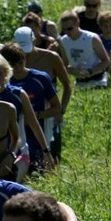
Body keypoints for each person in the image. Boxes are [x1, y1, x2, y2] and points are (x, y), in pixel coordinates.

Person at [0, 52, 53, 182]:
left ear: (7, 72)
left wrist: (46, 153)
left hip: (19, 154)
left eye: (0, 73)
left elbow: (34, 124)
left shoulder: (18, 94)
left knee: (8, 182)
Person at [0, 42, 61, 175]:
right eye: (12, 64)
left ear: (25, 59)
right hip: (15, 142)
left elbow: (57, 108)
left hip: (40, 136)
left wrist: (35, 116)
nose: (17, 67)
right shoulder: (3, 85)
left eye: (20, 62)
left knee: (42, 176)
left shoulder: (40, 78)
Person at [14, 24, 72, 165]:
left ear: (34, 40)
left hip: (47, 113)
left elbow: (67, 85)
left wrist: (61, 110)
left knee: (52, 156)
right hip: (21, 118)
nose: (26, 55)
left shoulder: (51, 57)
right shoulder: (12, 61)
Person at [58, 9, 110, 89]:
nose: (67, 32)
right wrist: (74, 71)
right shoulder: (63, 41)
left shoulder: (92, 38)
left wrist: (90, 72)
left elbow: (106, 61)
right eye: (64, 29)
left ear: (77, 23)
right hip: (80, 83)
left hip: (99, 81)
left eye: (70, 28)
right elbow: (64, 65)